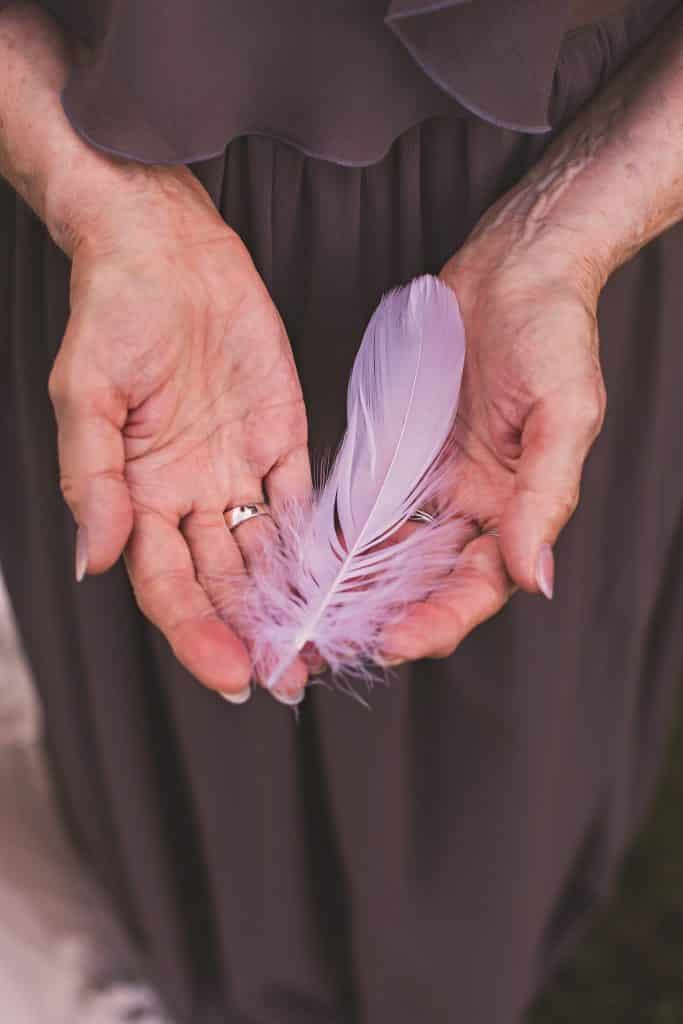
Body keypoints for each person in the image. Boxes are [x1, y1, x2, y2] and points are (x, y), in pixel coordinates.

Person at [0, 1, 682, 1021]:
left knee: (496, 780)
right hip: (113, 174)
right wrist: (96, 199)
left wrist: (566, 236)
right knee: (179, 759)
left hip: (570, 168)